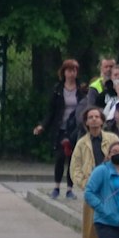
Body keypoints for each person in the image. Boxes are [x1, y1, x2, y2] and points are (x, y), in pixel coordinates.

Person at [67, 106, 119, 238]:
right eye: (91, 117)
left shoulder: (112, 139)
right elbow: (75, 167)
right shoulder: (82, 143)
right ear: (86, 122)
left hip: (111, 189)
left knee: (113, 226)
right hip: (92, 191)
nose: (94, 120)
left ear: (102, 121)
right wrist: (84, 184)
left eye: (97, 117)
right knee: (90, 229)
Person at [36, 59, 87, 199]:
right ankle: (56, 187)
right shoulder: (57, 89)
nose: (72, 73)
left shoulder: (81, 89)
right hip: (59, 127)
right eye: (69, 70)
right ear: (64, 72)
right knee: (59, 157)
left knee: (72, 158)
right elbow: (51, 111)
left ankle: (70, 189)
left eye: (74, 70)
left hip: (74, 128)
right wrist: (42, 125)